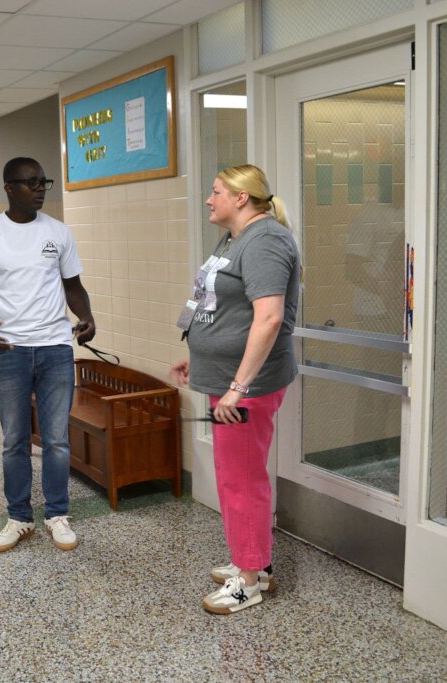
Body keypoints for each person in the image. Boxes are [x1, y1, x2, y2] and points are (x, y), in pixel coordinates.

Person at [170, 164, 300, 614]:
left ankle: (249, 581)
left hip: (247, 387)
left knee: (241, 479)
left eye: (216, 192)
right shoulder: (235, 239)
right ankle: (253, 560)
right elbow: (223, 309)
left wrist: (238, 387)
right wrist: (201, 355)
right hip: (225, 377)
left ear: (242, 197)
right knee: (233, 474)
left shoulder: (265, 241)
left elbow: (269, 318)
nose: (209, 199)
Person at [0, 157, 96, 553]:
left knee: (56, 439)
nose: (39, 189)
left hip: (55, 347)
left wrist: (87, 316)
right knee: (14, 440)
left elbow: (73, 286)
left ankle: (57, 514)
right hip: (9, 350)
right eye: (30, 182)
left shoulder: (58, 232)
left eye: (43, 182)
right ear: (9, 188)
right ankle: (19, 517)